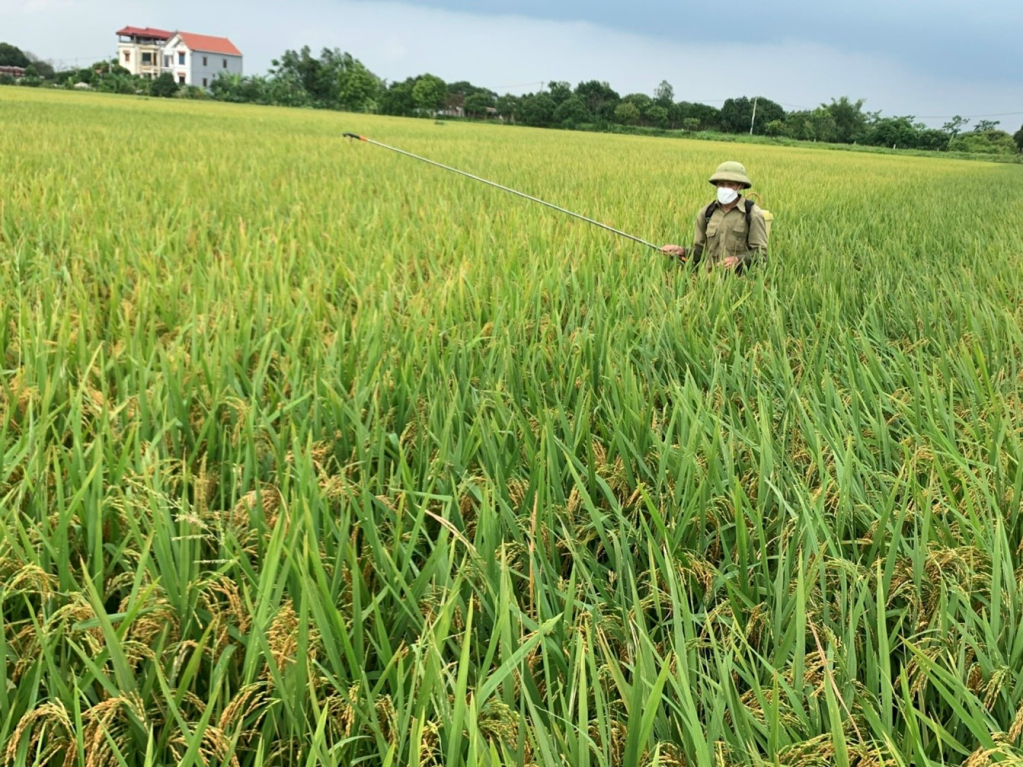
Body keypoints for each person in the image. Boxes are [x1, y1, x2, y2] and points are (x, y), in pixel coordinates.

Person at [661, 161, 768, 272]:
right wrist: (682, 251)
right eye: (721, 184)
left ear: (740, 186)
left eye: (731, 184)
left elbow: (761, 254)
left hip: (740, 279)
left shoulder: (752, 214)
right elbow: (700, 251)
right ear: (716, 185)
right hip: (708, 276)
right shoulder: (706, 213)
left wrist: (738, 260)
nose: (725, 188)